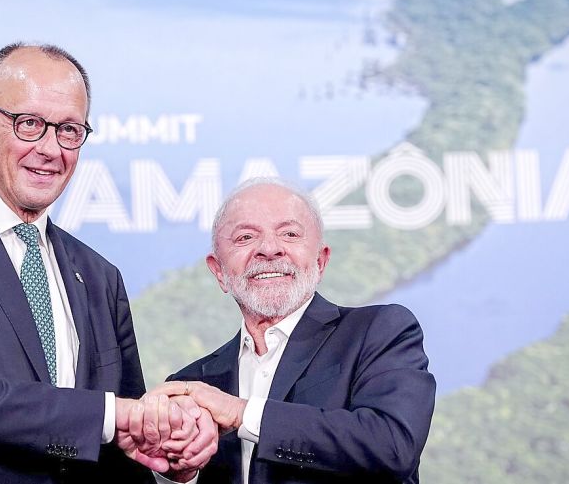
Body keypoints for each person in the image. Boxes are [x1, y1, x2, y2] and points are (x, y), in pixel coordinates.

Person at [0, 43, 215, 483]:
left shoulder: (99, 277)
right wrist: (114, 414)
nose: (51, 149)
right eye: (29, 124)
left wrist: (169, 460)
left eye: (69, 130)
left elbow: (119, 439)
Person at [146, 178, 436, 484]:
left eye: (290, 234)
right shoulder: (193, 384)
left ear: (321, 260)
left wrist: (241, 413)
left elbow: (392, 447)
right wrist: (181, 473)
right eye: (245, 237)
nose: (269, 249)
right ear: (219, 271)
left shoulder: (378, 333)